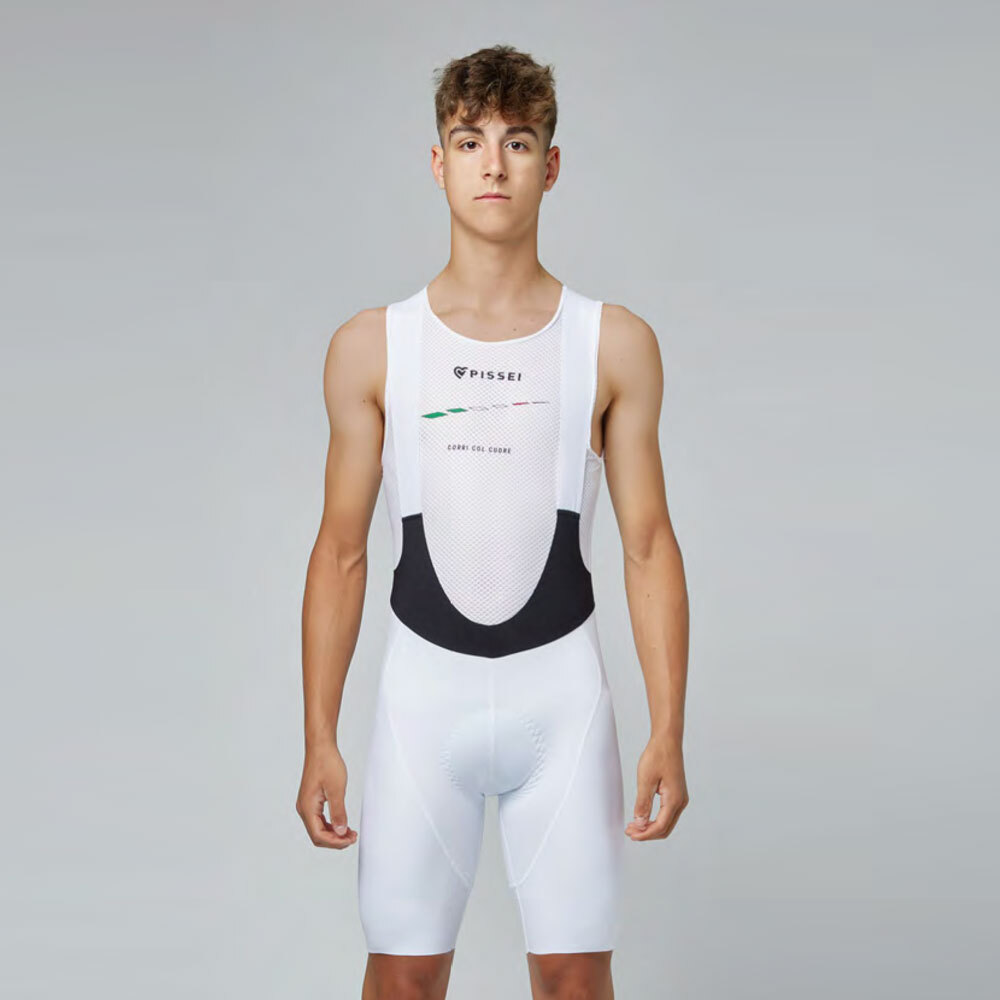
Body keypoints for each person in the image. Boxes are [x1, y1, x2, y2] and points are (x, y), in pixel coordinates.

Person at [296, 44, 690, 1000]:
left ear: (550, 166)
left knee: (573, 979)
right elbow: (341, 552)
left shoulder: (613, 342)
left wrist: (669, 730)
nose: (494, 165)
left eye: (517, 142)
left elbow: (647, 546)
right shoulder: (372, 346)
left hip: (561, 700)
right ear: (439, 162)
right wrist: (319, 737)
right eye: (470, 141)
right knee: (401, 980)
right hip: (421, 701)